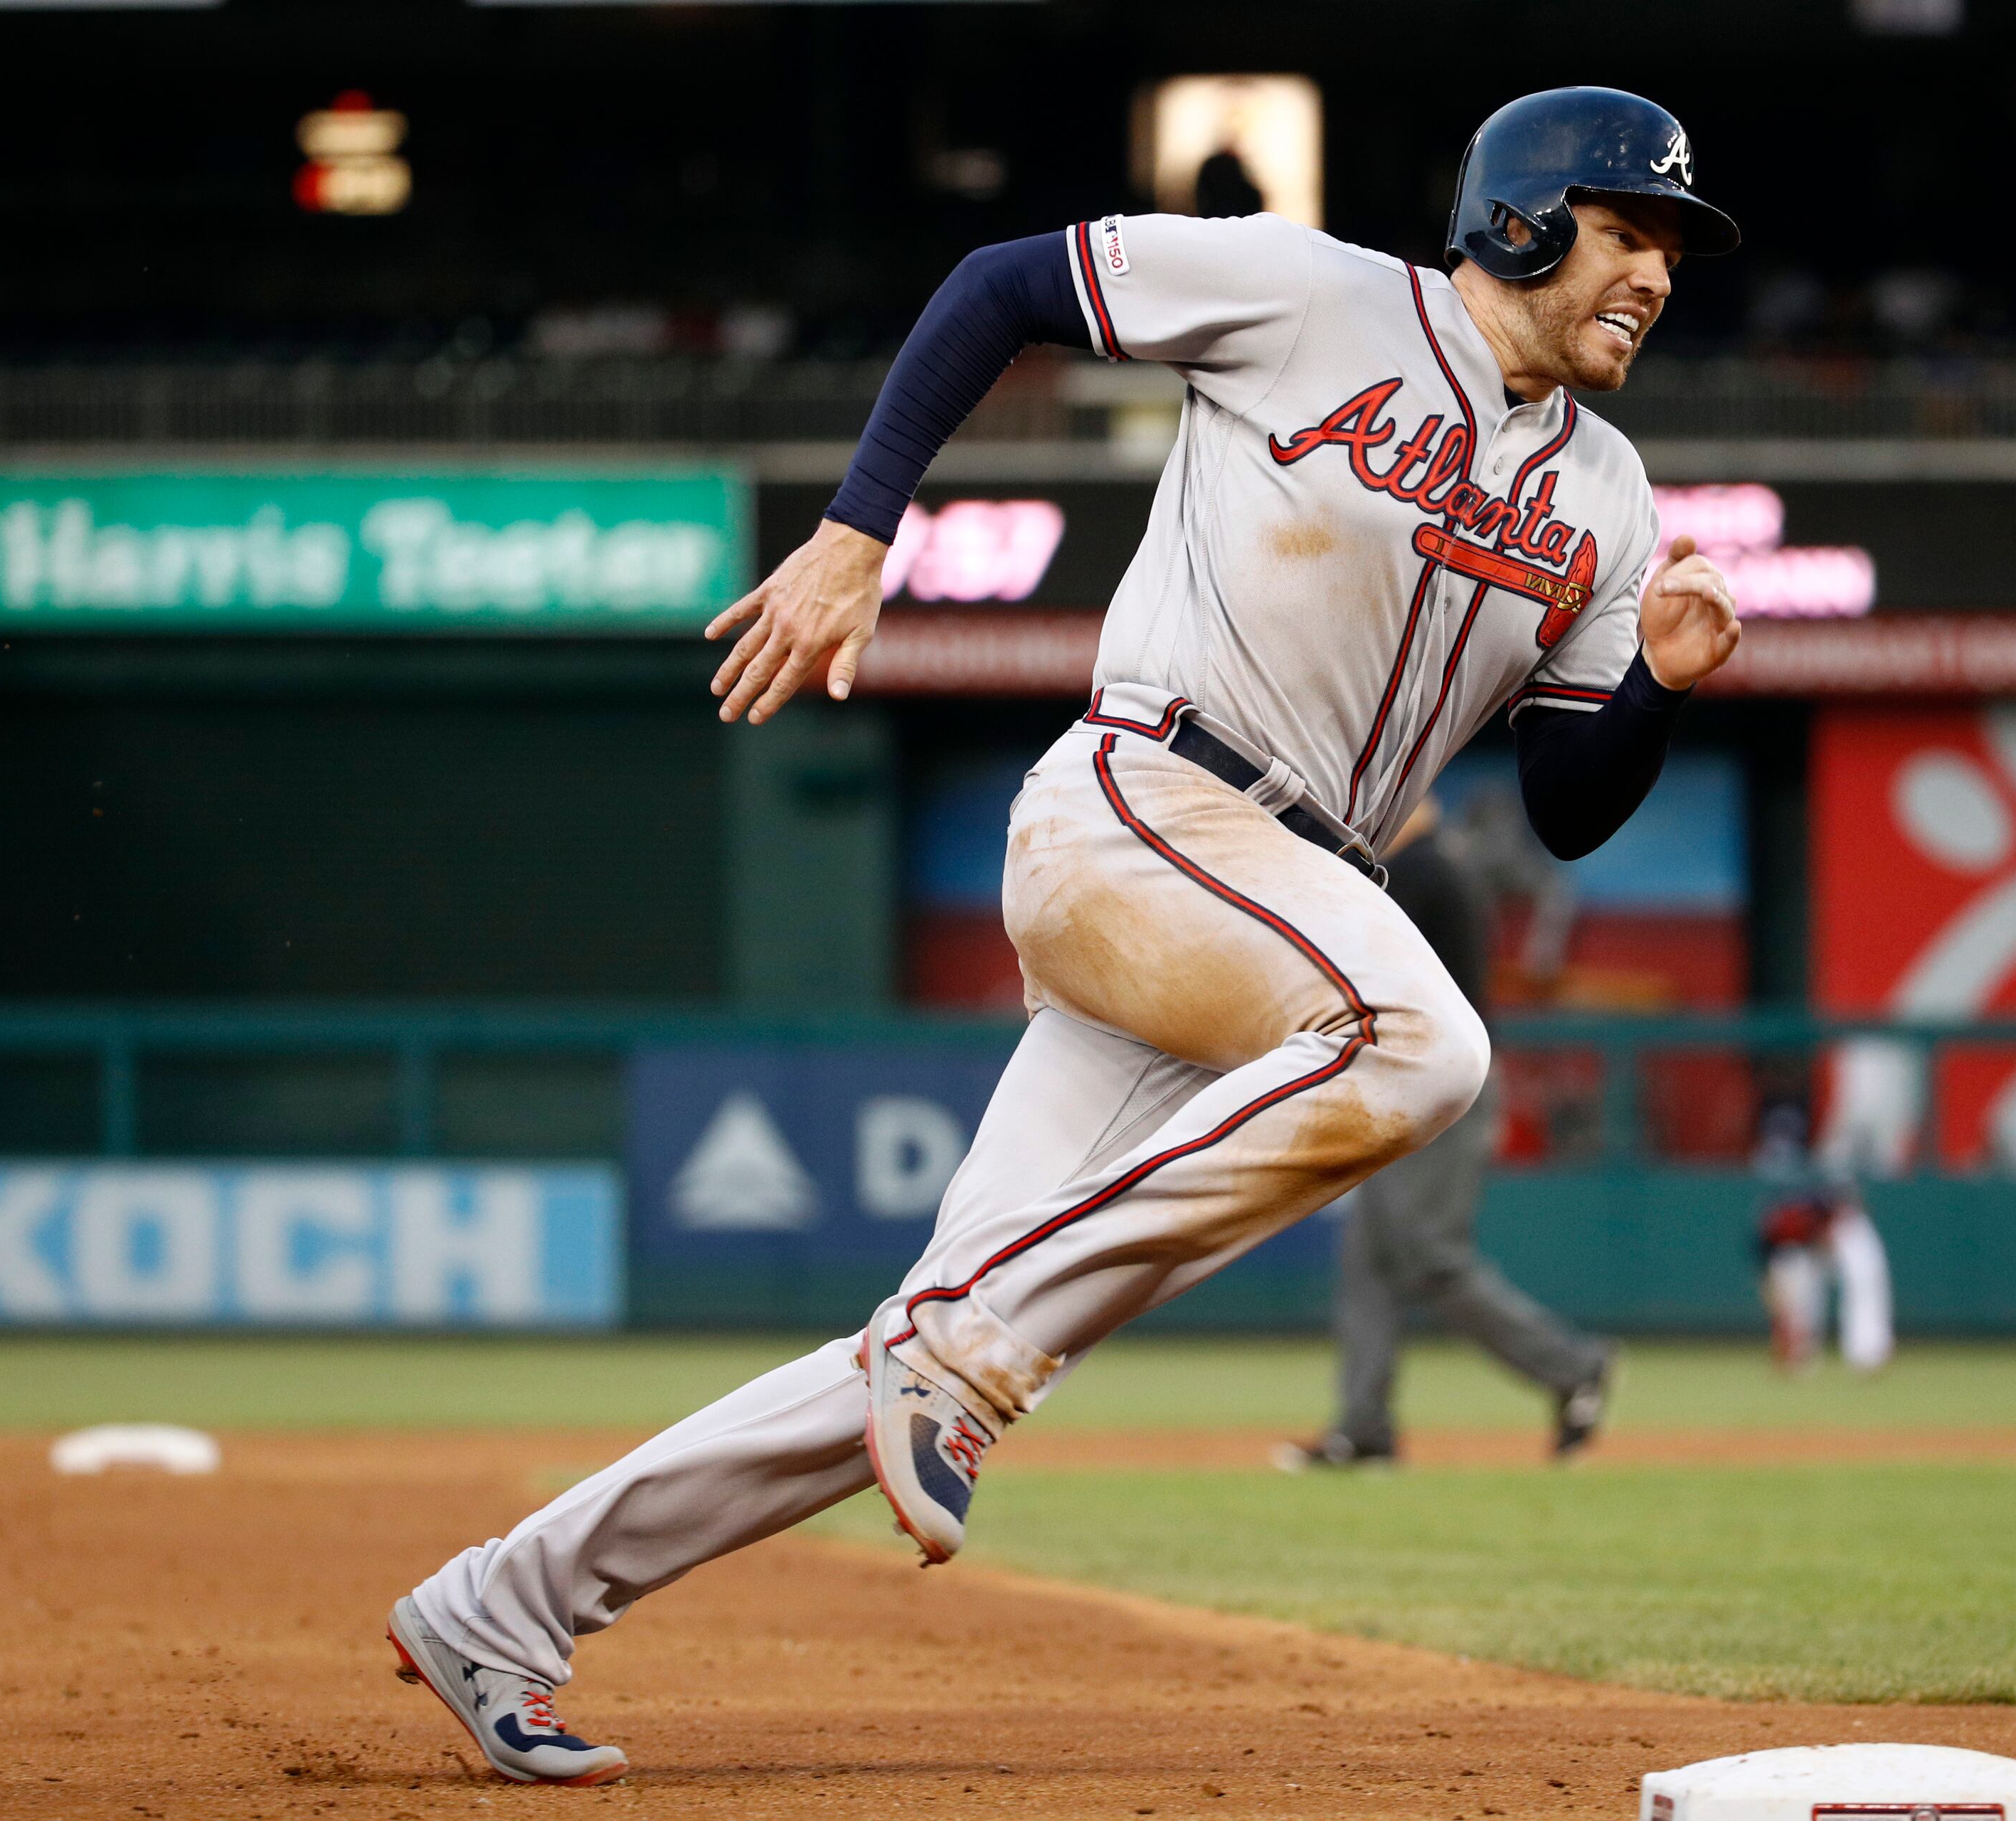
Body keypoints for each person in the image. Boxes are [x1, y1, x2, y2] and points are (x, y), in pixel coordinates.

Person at [385, 87, 1741, 1786]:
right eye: (1631, 231)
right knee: (1425, 1041)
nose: (1660, 272)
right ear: (1527, 219)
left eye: (1674, 246)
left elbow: (1566, 796)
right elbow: (1001, 285)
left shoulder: (1610, 496)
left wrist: (1657, 689)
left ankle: (503, 1601)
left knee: (911, 1347)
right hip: (1147, 806)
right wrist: (856, 527)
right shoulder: (1305, 295)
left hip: (1262, 923)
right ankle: (972, 1347)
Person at [1275, 795, 1616, 1471]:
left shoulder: (1427, 872)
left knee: (1429, 1253)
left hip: (1447, 1086)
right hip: (1409, 1082)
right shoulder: (1420, 868)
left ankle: (1574, 1367)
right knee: (1370, 1258)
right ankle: (1365, 1430)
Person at [1749, 1108, 1892, 1374]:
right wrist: (1782, 1316)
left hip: (1843, 1226)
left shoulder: (1814, 1192)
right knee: (1798, 1293)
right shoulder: (1773, 1225)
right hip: (1806, 1246)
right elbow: (1768, 1276)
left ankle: (1869, 1352)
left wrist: (1830, 1237)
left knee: (1864, 1275)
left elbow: (1850, 1205)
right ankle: (1800, 1354)